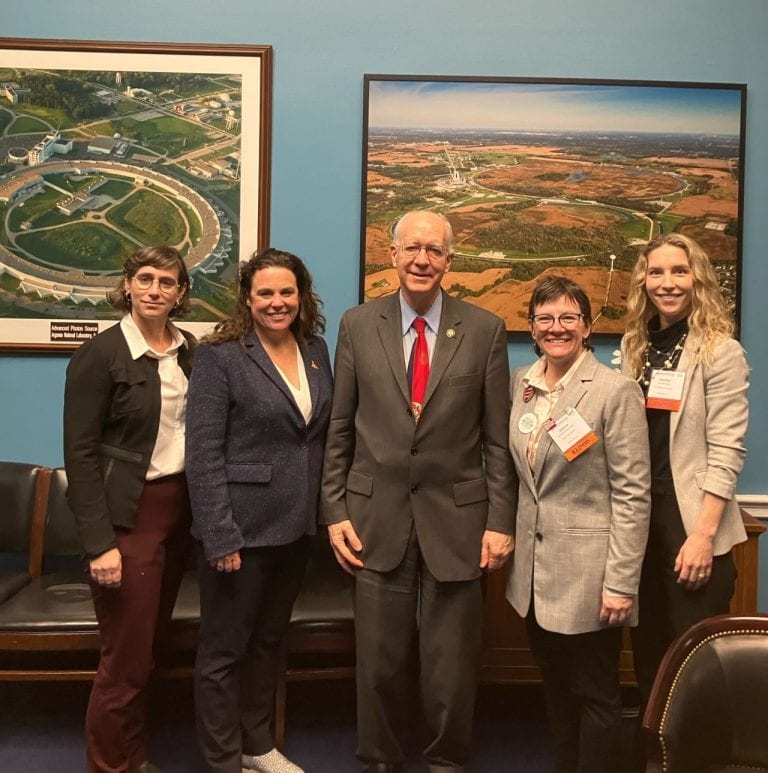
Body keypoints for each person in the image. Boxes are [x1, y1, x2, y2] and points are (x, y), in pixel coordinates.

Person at [321, 210, 517, 773]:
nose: (422, 260)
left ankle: (447, 761)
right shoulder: (358, 325)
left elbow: (496, 440)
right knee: (378, 663)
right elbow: (340, 427)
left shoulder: (484, 329)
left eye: (434, 250)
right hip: (374, 520)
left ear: (449, 260)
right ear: (393, 255)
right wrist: (333, 509)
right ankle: (378, 760)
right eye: (412, 248)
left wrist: (499, 521)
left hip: (458, 525)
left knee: (450, 668)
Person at [185, 249, 332, 773]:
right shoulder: (220, 356)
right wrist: (220, 535)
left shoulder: (314, 349)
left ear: (302, 296)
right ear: (247, 299)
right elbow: (202, 454)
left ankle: (257, 744)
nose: (277, 302)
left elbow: (312, 437)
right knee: (224, 651)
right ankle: (223, 760)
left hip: (295, 529)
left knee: (268, 642)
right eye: (265, 293)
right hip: (239, 533)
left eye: (287, 292)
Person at [506, 275, 651, 773]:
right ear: (532, 327)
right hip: (533, 577)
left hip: (591, 579)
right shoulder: (522, 384)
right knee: (556, 688)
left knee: (596, 695)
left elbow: (633, 494)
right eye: (545, 318)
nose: (557, 327)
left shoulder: (615, 391)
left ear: (587, 327)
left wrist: (621, 583)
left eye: (569, 317)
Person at [63, 245, 195, 773]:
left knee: (149, 648)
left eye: (167, 282)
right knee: (125, 658)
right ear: (127, 285)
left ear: (180, 293)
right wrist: (100, 545)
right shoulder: (100, 355)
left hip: (176, 517)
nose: (155, 290)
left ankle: (133, 755)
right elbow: (80, 455)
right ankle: (110, 766)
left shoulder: (188, 351)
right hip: (128, 521)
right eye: (145, 278)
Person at [621, 234, 749, 754]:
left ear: (698, 278)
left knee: (695, 660)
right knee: (650, 654)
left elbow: (727, 451)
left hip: (692, 524)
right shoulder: (636, 347)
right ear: (643, 281)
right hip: (641, 524)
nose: (667, 283)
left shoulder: (720, 351)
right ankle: (657, 758)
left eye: (679, 271)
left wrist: (702, 536)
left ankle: (702, 759)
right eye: (656, 272)